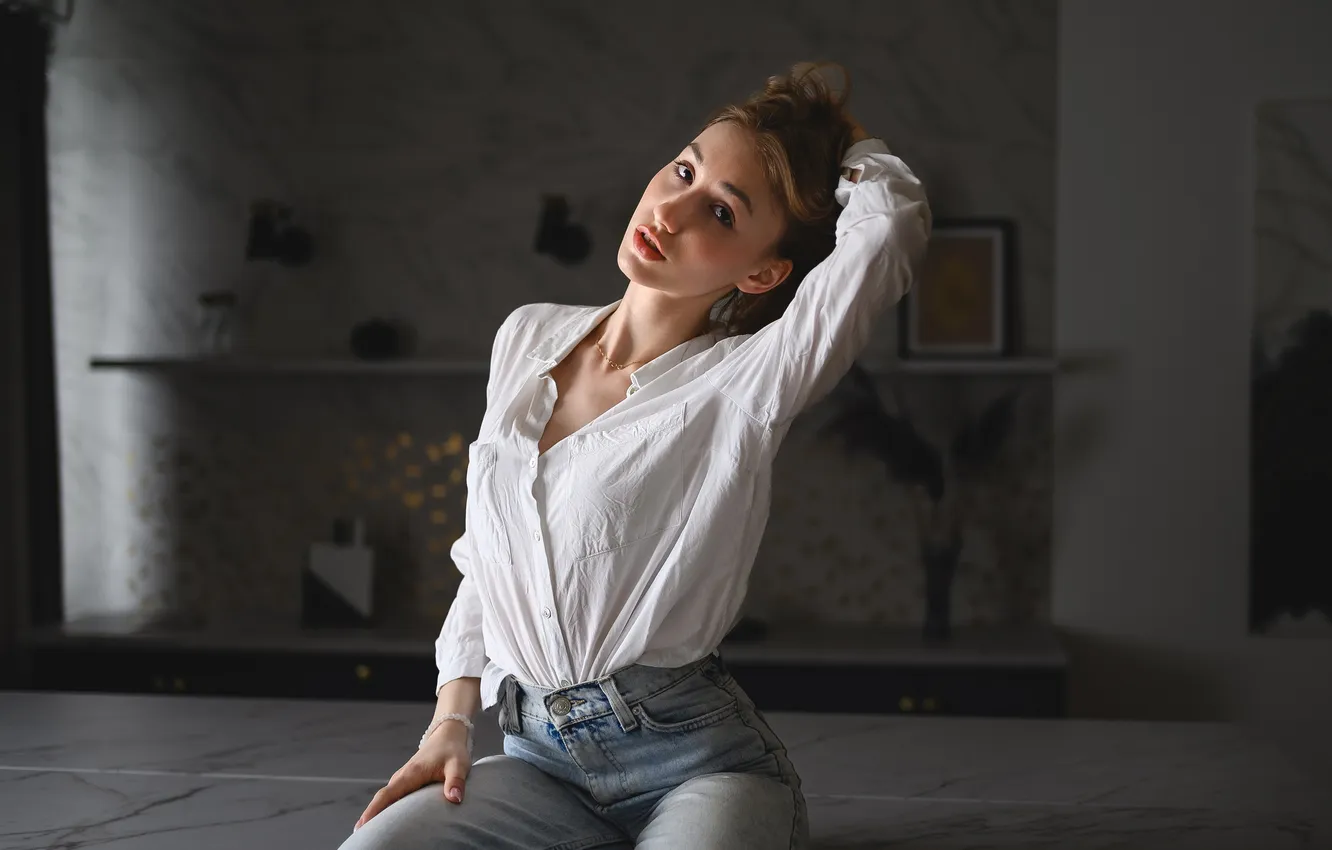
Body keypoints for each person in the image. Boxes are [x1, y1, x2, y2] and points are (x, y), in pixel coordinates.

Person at [341, 60, 931, 849]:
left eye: (722, 211)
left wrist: (841, 141)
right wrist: (449, 721)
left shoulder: (747, 379)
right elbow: (489, 558)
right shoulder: (525, 337)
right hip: (539, 766)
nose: (674, 208)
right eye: (684, 169)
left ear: (762, 270)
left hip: (698, 768)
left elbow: (888, 227)